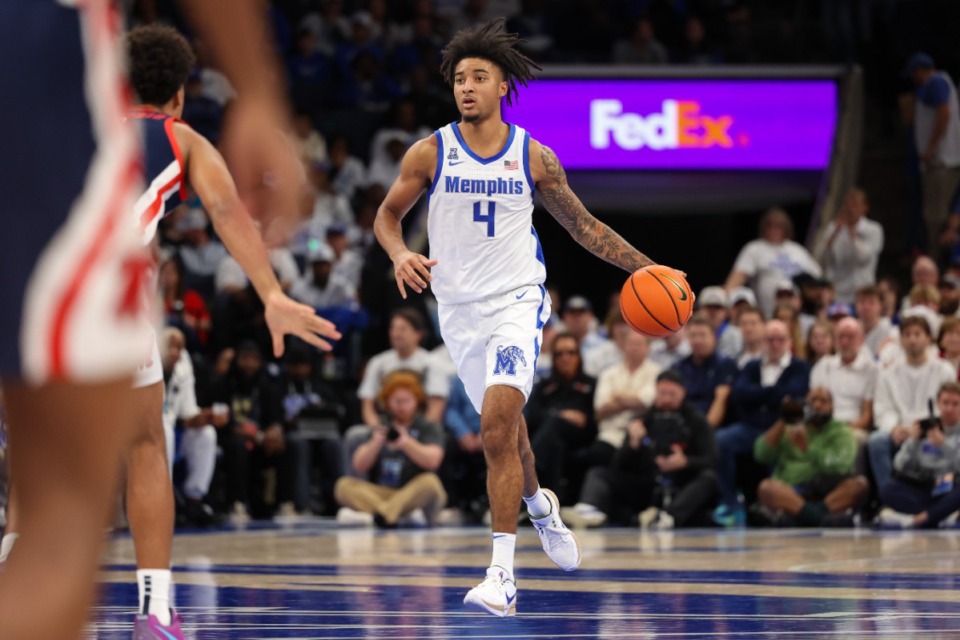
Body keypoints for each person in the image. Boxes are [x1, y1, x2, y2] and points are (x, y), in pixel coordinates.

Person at [0, 5, 334, 640]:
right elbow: (230, 214)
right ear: (179, 95)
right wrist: (270, 292)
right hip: (84, 269)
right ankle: (155, 610)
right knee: (141, 447)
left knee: (30, 446)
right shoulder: (180, 139)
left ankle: (10, 561)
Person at [373, 18, 666, 616]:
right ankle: (541, 507)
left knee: (495, 427)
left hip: (517, 303)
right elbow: (385, 216)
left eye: (480, 76)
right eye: (459, 78)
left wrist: (648, 268)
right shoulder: (429, 152)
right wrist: (400, 252)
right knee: (512, 441)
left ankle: (501, 577)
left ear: (503, 85)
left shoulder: (534, 157)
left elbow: (584, 228)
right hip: (457, 313)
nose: (467, 87)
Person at [561, 370, 718, 530]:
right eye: (662, 393)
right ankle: (589, 509)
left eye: (672, 394)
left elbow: (712, 459)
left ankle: (668, 517)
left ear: (683, 393)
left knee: (709, 478)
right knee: (598, 473)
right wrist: (633, 444)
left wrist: (685, 462)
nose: (667, 399)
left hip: (683, 484)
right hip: (648, 485)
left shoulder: (696, 420)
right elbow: (619, 465)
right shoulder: (644, 419)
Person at [714, 320, 810, 526]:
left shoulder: (799, 367)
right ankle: (730, 503)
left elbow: (795, 396)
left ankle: (779, 507)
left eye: (780, 339)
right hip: (750, 427)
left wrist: (758, 396)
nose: (775, 344)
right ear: (763, 342)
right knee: (721, 440)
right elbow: (740, 394)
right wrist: (775, 395)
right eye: (770, 339)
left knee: (778, 445)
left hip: (781, 429)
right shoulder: (751, 366)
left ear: (789, 342)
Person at [334, 372, 447, 527]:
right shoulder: (382, 427)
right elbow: (359, 465)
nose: (401, 406)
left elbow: (433, 461)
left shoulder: (427, 427)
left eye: (406, 401)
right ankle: (395, 515)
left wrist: (406, 443)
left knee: (431, 483)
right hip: (382, 492)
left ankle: (376, 516)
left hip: (412, 493)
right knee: (343, 485)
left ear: (416, 401)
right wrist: (375, 443)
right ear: (387, 402)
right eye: (397, 401)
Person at [754, 388, 868, 527]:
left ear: (832, 407)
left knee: (859, 485)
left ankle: (803, 517)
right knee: (766, 487)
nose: (817, 405)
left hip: (828, 495)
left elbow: (841, 467)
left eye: (823, 401)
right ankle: (819, 518)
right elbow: (761, 455)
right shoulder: (788, 426)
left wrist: (808, 449)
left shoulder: (841, 431)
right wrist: (783, 419)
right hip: (793, 494)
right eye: (812, 400)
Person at [869, 316, 956, 491]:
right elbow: (882, 408)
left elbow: (950, 406)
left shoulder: (944, 369)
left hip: (934, 429)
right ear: (901, 340)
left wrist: (927, 428)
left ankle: (940, 496)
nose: (912, 339)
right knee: (876, 441)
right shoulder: (888, 373)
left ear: (929, 338)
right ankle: (889, 495)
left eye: (917, 334)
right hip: (899, 430)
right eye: (907, 335)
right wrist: (894, 427)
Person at [159, 327, 225, 527]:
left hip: (172, 429)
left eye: (179, 347)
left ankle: (194, 499)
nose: (174, 352)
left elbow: (187, 410)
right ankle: (163, 501)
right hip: (140, 437)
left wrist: (205, 417)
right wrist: (184, 421)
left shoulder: (184, 365)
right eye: (169, 346)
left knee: (206, 433)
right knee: (165, 429)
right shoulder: (143, 364)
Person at [877, 382, 960, 528]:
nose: (949, 409)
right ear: (937, 404)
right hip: (924, 486)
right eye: (945, 403)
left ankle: (920, 519)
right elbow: (900, 465)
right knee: (888, 490)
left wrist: (944, 445)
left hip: (950, 486)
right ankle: (940, 515)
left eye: (955, 404)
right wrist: (913, 441)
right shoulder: (926, 427)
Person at [902, 53, 960, 256]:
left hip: (941, 161)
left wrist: (931, 148)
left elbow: (944, 113)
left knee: (936, 216)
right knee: (932, 215)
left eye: (914, 74)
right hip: (937, 162)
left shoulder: (936, 83)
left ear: (920, 70)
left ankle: (938, 260)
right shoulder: (933, 85)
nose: (913, 79)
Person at [724, 207, 822, 319]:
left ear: (787, 227)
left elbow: (818, 281)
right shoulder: (755, 249)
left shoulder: (798, 251)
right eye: (770, 225)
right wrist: (725, 298)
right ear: (763, 227)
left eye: (779, 226)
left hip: (797, 314)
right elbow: (737, 278)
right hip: (766, 314)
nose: (774, 229)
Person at [810, 317, 877, 443]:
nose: (845, 342)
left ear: (861, 340)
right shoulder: (822, 366)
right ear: (834, 340)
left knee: (852, 439)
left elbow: (867, 416)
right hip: (824, 424)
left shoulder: (870, 370)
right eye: (841, 337)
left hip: (854, 426)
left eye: (850, 337)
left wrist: (841, 430)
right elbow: (814, 405)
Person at [813, 188, 884, 305]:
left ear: (865, 207)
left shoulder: (874, 229)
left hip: (861, 294)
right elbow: (822, 259)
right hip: (837, 294)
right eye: (848, 204)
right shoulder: (833, 228)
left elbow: (864, 258)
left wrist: (852, 235)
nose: (850, 209)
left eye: (855, 204)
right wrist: (834, 234)